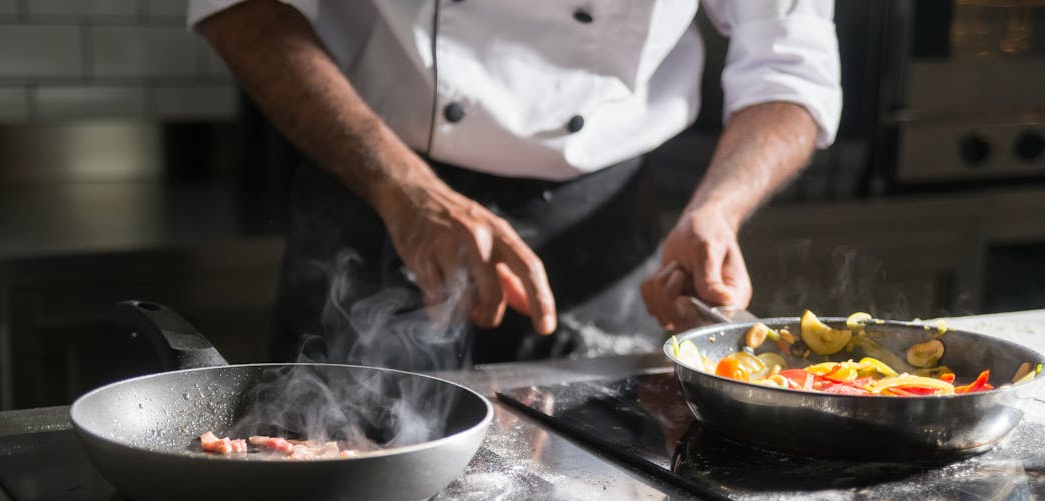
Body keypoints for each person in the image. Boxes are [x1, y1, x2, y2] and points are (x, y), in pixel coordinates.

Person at [189, 0, 841, 368]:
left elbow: (790, 64)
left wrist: (719, 209)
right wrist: (407, 191)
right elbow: (243, 10)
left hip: (599, 228)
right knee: (330, 471)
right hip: (375, 187)